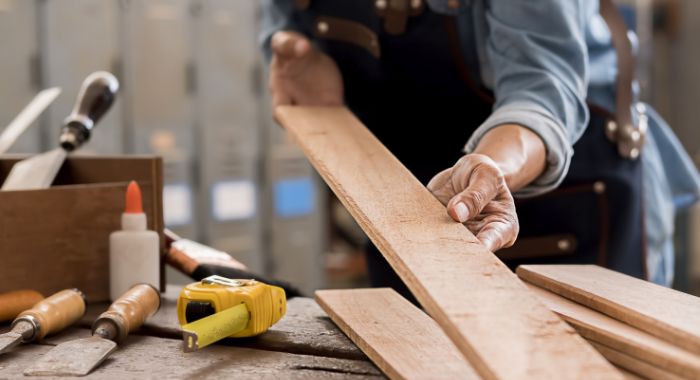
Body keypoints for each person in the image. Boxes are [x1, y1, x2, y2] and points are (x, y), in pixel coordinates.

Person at [260, 0, 700, 296]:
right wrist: (292, 49)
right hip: (415, 196)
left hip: (559, 188)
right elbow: (283, 15)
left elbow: (540, 93)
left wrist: (492, 167)